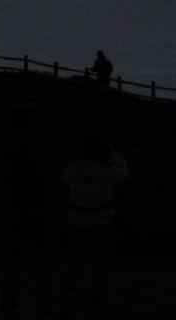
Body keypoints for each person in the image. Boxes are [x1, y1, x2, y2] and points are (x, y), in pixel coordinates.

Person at [58, 132, 128, 320]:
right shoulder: (109, 172)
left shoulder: (70, 170)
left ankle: (67, 305)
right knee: (102, 267)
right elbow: (123, 171)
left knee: (74, 266)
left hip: (77, 222)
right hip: (103, 223)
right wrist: (112, 153)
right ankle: (100, 305)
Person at [0, 103, 56, 318]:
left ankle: (8, 307)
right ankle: (45, 307)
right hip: (37, 210)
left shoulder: (8, 146)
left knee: (14, 264)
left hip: (16, 210)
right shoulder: (41, 145)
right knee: (41, 263)